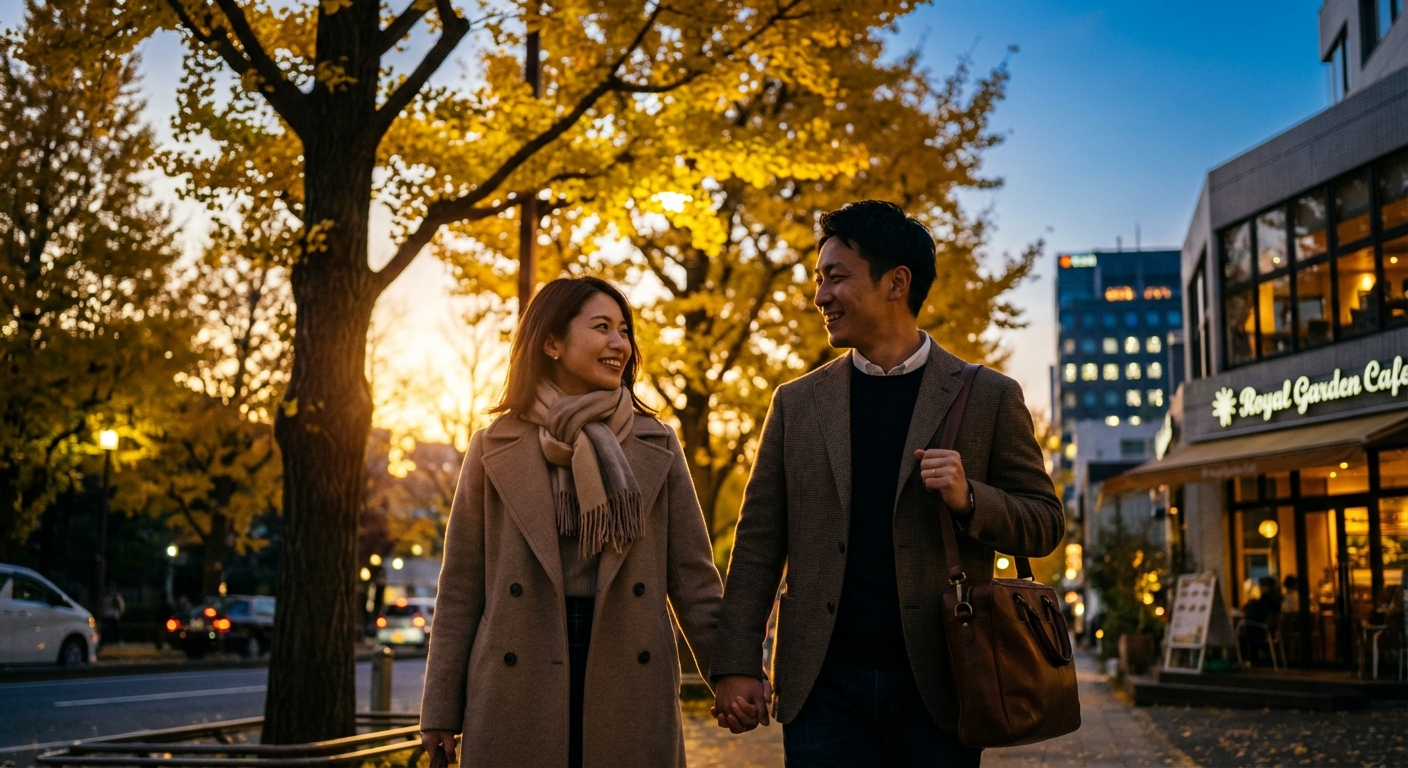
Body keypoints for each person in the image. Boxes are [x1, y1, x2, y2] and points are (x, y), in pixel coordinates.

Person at [709, 200, 1064, 767]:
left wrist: (972, 498)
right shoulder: (796, 404)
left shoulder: (990, 397)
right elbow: (757, 545)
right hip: (821, 690)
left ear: (897, 282)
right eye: (818, 279)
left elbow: (1045, 523)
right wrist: (735, 665)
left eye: (836, 278)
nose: (820, 296)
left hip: (943, 687)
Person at [418, 277, 723, 767]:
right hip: (518, 673)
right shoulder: (493, 445)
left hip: (627, 663)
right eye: (602, 327)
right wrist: (439, 711)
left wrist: (731, 675)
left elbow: (694, 580)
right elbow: (460, 589)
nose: (619, 343)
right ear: (552, 342)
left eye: (624, 331)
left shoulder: (657, 443)